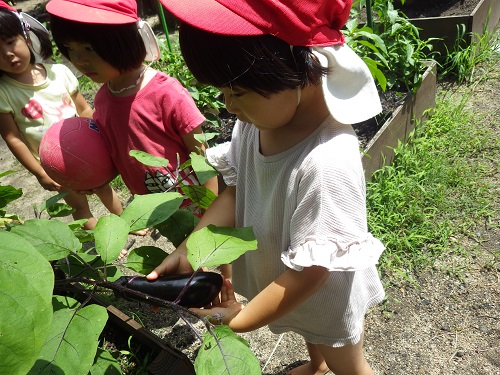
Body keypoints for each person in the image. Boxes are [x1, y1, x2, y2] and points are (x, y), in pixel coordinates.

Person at [148, 0, 386, 374]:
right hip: (286, 278)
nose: (228, 106)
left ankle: (330, 365)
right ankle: (316, 365)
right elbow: (236, 191)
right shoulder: (255, 125)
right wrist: (192, 246)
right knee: (308, 333)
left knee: (350, 364)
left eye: (237, 91)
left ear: (296, 67)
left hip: (323, 297)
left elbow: (312, 272)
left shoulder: (326, 161)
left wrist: (241, 321)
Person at [46, 0, 218, 208]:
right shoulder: (102, 99)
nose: (79, 60)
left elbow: (201, 155)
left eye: (89, 48)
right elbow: (120, 156)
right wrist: (95, 180)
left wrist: (212, 209)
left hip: (194, 200)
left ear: (124, 41)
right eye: (69, 48)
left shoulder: (166, 93)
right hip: (151, 207)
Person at [0, 4, 124, 231]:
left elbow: (85, 111)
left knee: (104, 187)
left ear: (26, 37)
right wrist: (39, 173)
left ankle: (128, 222)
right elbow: (13, 138)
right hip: (56, 167)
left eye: (10, 42)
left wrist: (106, 140)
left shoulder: (58, 73)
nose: (7, 53)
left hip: (87, 152)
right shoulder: (3, 92)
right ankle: (104, 240)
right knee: (78, 206)